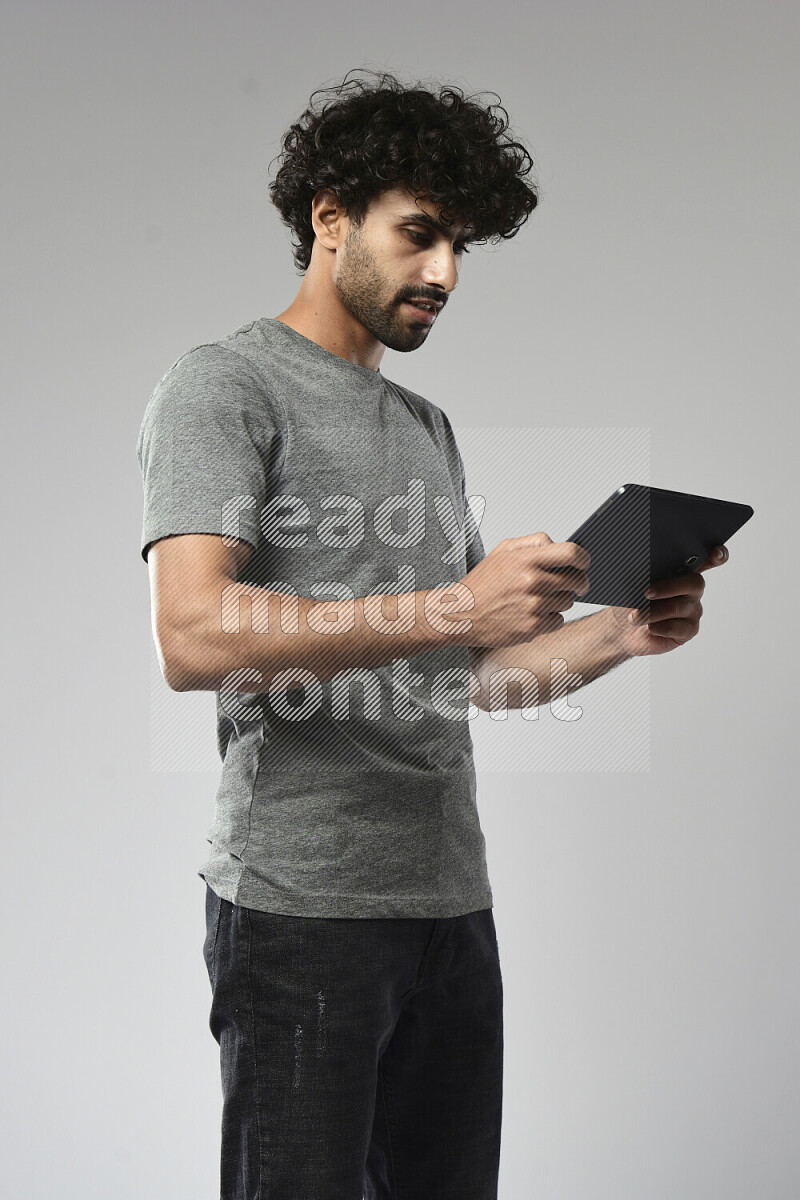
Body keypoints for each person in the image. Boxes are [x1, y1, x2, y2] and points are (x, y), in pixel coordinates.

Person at [136, 67, 727, 1200]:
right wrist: (459, 605)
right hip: (299, 911)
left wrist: (618, 635)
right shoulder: (222, 387)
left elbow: (464, 681)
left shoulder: (423, 426)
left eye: (458, 245)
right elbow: (191, 636)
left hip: (449, 904)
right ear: (328, 219)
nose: (443, 273)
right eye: (417, 236)